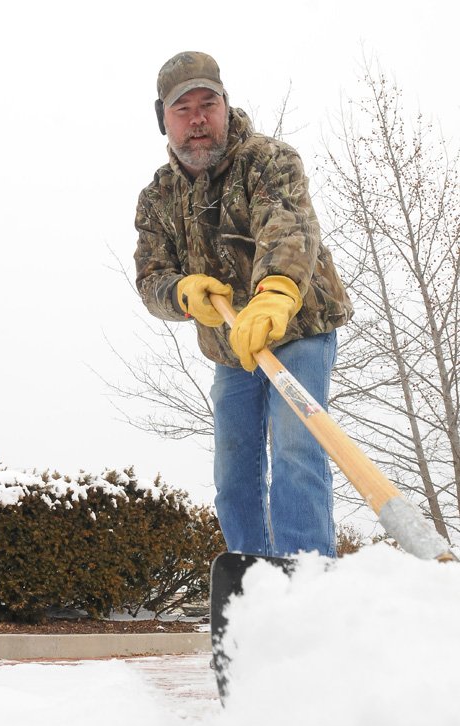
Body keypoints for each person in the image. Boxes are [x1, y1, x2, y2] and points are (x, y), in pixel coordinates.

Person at [134, 51, 353, 558]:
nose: (197, 119)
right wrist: (183, 294)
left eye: (207, 103)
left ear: (226, 106)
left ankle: (306, 581)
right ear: (163, 119)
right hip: (232, 347)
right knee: (234, 473)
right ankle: (254, 585)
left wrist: (275, 291)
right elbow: (152, 278)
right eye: (182, 108)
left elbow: (287, 225)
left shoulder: (268, 160)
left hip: (297, 327)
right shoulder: (157, 198)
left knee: (297, 451)